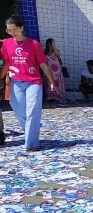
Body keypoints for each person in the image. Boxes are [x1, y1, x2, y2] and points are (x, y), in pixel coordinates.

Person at [0, 15, 57, 151]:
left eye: (14, 30)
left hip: (34, 82)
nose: (12, 33)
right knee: (17, 108)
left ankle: (31, 144)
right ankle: (33, 128)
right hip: (16, 82)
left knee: (32, 111)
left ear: (22, 28)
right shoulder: (7, 43)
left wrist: (51, 82)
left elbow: (43, 65)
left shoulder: (34, 44)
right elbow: (6, 64)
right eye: (9, 30)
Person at [44, 38, 67, 104]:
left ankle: (58, 97)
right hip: (49, 71)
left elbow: (58, 54)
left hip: (57, 72)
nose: (52, 45)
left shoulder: (56, 51)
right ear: (48, 44)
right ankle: (51, 97)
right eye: (51, 43)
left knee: (58, 84)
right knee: (50, 84)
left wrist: (54, 46)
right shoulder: (45, 52)